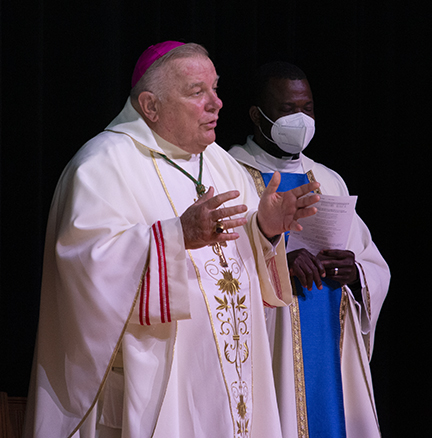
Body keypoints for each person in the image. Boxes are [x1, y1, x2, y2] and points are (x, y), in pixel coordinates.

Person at [22, 43, 321, 438]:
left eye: (215, 89)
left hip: (230, 381)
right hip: (157, 387)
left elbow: (237, 270)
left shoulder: (220, 162)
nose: (216, 103)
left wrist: (264, 230)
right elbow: (85, 271)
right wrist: (178, 236)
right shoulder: (102, 165)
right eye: (197, 92)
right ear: (150, 106)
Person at [229, 61, 391, 438]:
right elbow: (215, 265)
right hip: (269, 342)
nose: (301, 119)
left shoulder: (328, 179)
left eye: (308, 108)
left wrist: (356, 274)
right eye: (288, 110)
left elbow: (372, 262)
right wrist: (277, 263)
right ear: (257, 115)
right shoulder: (231, 173)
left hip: (327, 340)